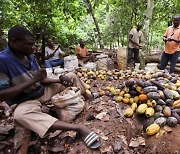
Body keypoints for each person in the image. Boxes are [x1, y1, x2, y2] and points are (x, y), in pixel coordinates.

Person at [0, 26, 100, 151]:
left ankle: (88, 96)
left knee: (72, 75)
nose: (32, 47)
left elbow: (42, 79)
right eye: (29, 44)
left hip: (42, 90)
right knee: (20, 116)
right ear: (14, 42)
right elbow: (2, 94)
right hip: (25, 101)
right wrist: (33, 80)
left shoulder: (29, 55)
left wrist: (59, 79)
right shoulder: (2, 61)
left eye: (33, 44)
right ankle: (78, 128)